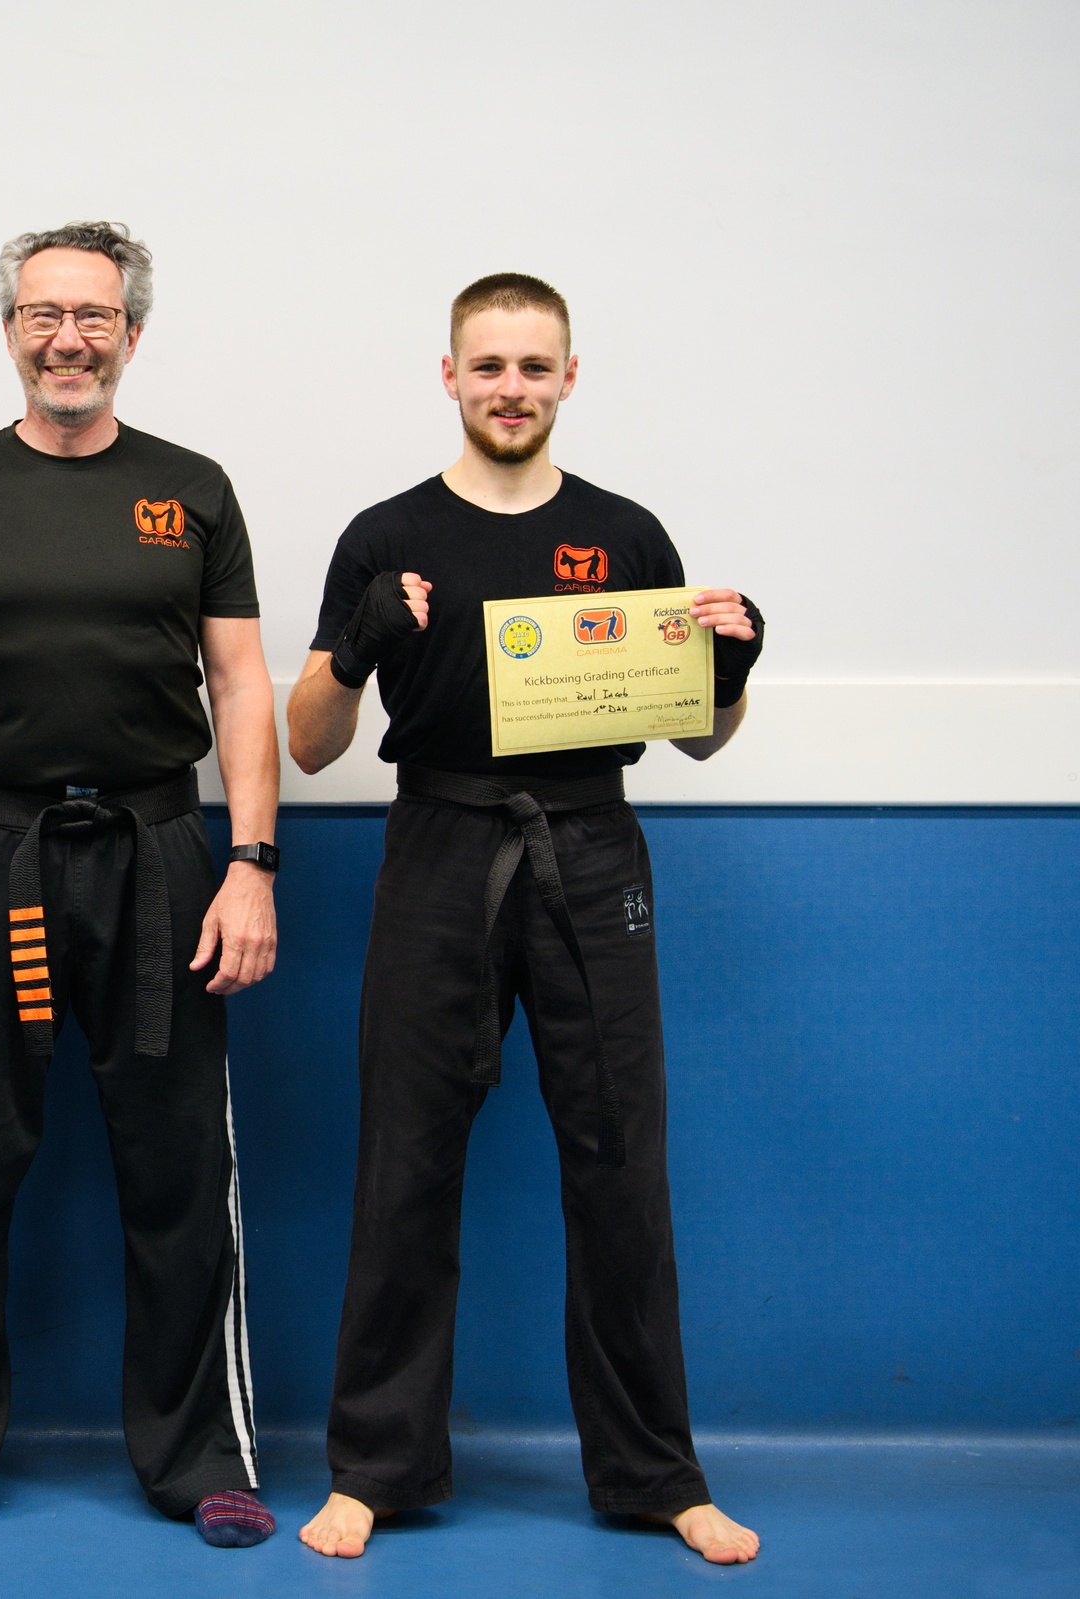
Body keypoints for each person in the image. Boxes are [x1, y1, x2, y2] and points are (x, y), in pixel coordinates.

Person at [288, 274, 764, 1566]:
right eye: (488, 366)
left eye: (533, 367)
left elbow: (701, 738)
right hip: (438, 844)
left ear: (569, 377)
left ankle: (656, 1476)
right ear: (449, 375)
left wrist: (730, 670)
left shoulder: (627, 534)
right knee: (405, 1159)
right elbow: (312, 744)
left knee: (621, 1165)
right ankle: (375, 1468)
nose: (511, 388)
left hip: (592, 847)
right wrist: (354, 649)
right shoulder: (386, 533)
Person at [0, 222, 281, 1551]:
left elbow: (240, 683)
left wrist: (251, 866)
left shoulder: (192, 489)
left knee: (177, 1169)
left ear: (132, 335)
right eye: (43, 314)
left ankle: (200, 1454)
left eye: (94, 315)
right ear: (10, 332)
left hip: (160, 856)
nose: (68, 338)